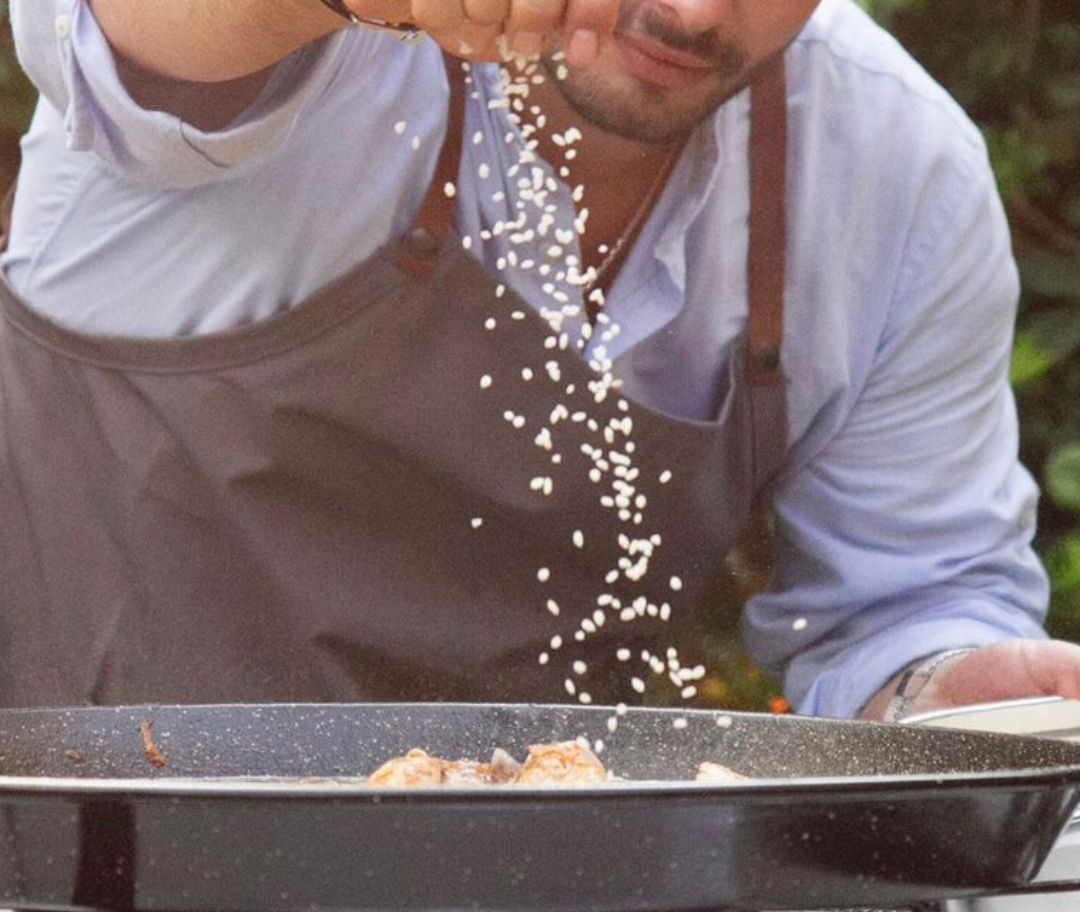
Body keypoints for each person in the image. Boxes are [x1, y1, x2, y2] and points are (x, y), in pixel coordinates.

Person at [2, 0, 1080, 720]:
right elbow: (102, 30)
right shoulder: (308, 41)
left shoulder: (895, 174)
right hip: (81, 888)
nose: (693, 11)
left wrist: (955, 687)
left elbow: (905, 606)